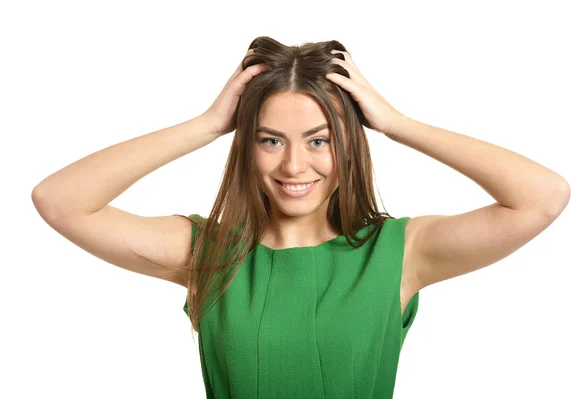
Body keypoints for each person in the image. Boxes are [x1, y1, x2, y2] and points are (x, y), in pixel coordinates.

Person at [31, 36, 570, 398]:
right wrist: (208, 124)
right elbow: (60, 200)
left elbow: (542, 196)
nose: (294, 164)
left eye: (320, 140)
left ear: (349, 146)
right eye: (270, 140)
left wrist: (396, 123)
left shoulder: (398, 253)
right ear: (247, 145)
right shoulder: (208, 254)